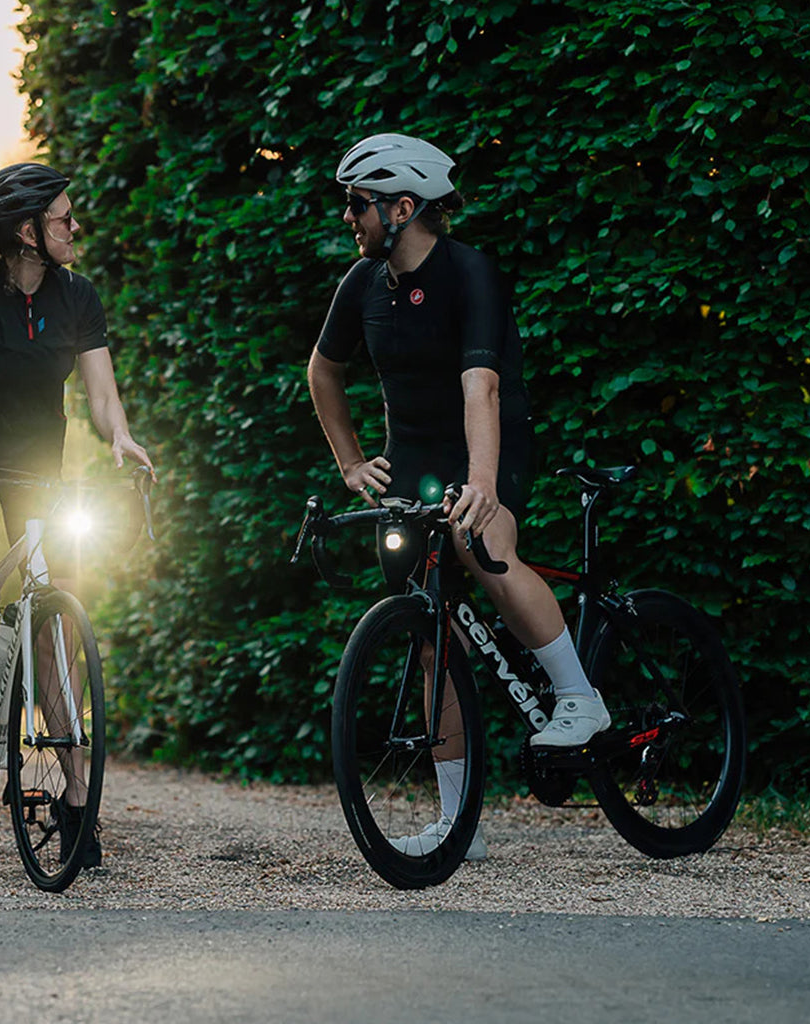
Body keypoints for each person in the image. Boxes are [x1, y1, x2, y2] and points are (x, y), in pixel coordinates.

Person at [307, 134, 610, 860]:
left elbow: (484, 387)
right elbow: (323, 373)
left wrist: (480, 484)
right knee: (427, 629)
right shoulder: (361, 286)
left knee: (485, 544)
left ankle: (580, 697)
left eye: (359, 204)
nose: (350, 217)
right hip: (412, 459)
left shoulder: (469, 272)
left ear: (403, 208)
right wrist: (351, 463)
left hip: (488, 445)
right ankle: (455, 824)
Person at [0, 162, 153, 867]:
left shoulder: (77, 296)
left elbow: (102, 392)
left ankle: (76, 799)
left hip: (40, 467)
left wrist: (119, 436)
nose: (74, 227)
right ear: (26, 231)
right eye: (62, 218)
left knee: (54, 623)